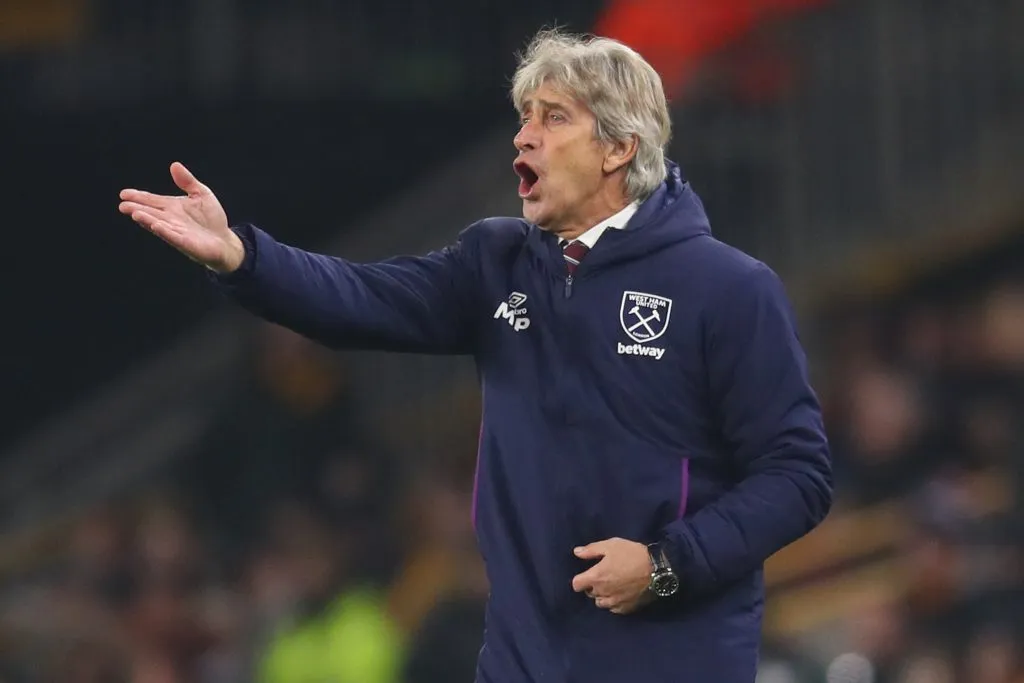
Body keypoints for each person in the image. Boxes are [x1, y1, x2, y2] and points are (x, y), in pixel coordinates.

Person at [118, 28, 833, 683]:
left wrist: (666, 564)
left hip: (671, 661)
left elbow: (798, 474)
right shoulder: (497, 261)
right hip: (523, 663)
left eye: (554, 118)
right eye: (524, 117)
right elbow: (362, 297)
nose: (524, 138)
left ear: (619, 148)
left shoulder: (729, 288)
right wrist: (243, 257)